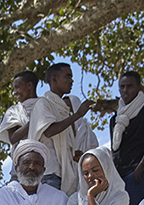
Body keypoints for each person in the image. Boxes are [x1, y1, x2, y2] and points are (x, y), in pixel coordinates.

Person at [28, 62, 97, 194]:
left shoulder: (64, 110)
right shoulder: (43, 103)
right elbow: (49, 131)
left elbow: (63, 142)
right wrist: (78, 115)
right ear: (54, 79)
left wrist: (73, 154)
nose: (71, 81)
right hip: (49, 173)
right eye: (67, 76)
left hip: (64, 174)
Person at [109, 71, 144, 205]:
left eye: (130, 86)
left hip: (135, 174)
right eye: (122, 87)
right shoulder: (115, 119)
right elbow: (114, 150)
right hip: (117, 176)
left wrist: (140, 168)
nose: (125, 91)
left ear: (139, 87)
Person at [0, 70, 39, 154]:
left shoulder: (46, 105)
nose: (15, 92)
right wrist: (35, 121)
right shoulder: (14, 111)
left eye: (17, 87)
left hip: (48, 159)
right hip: (23, 159)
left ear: (29, 85)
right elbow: (13, 138)